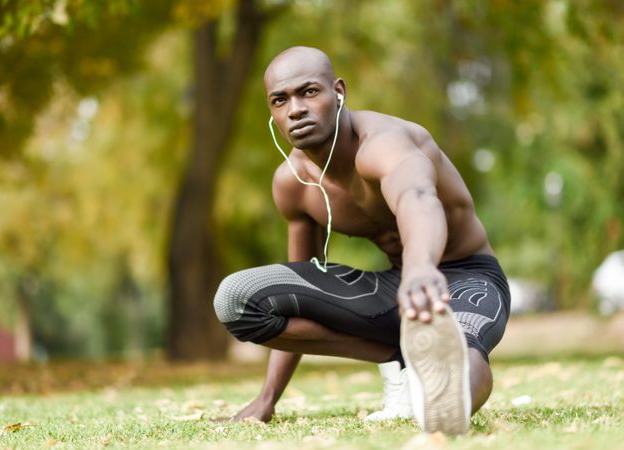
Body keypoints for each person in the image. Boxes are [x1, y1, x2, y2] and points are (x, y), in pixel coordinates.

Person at [213, 46, 510, 435]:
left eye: (309, 92)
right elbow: (302, 279)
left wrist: (422, 269)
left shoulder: (385, 143)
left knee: (461, 348)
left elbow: (417, 200)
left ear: (338, 91)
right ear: (271, 112)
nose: (296, 109)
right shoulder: (293, 184)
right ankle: (402, 358)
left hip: (466, 277)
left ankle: (445, 407)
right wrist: (268, 398)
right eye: (280, 100)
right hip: (396, 286)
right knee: (237, 298)